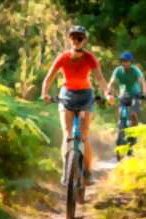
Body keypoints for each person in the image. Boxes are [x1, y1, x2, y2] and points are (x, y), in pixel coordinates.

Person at [41, 25, 113, 185]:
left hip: (85, 97)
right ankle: (67, 169)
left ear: (84, 40)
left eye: (80, 38)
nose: (76, 41)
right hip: (66, 95)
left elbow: (100, 78)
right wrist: (44, 93)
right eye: (73, 37)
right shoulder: (63, 57)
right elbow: (49, 77)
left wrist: (107, 93)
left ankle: (87, 172)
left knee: (84, 135)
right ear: (69, 39)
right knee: (67, 134)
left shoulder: (90, 58)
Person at [107, 51, 146, 127]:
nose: (124, 63)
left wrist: (144, 94)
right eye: (122, 61)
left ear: (130, 62)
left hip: (135, 94)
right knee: (121, 112)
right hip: (123, 94)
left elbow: (143, 83)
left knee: (133, 114)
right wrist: (108, 94)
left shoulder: (135, 70)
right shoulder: (118, 70)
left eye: (126, 61)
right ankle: (121, 131)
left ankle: (134, 133)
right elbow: (111, 83)